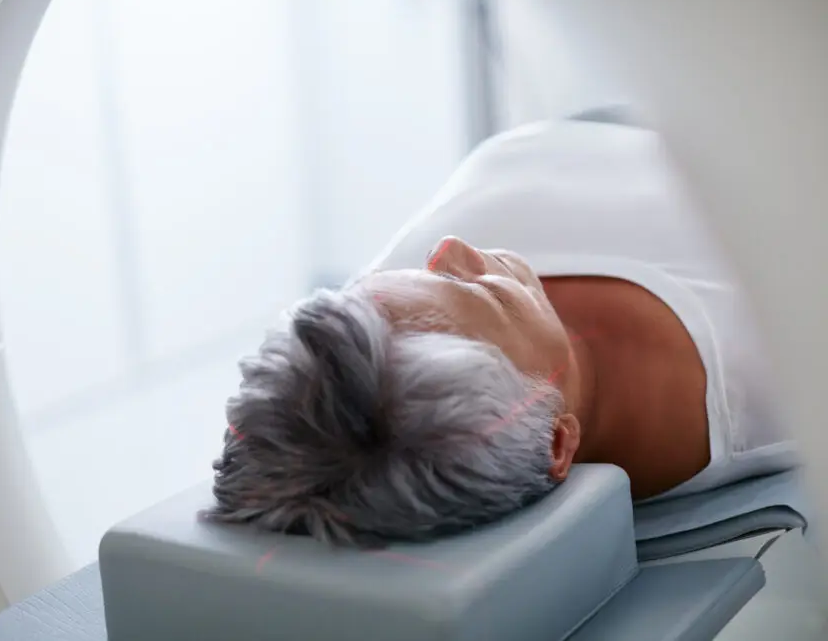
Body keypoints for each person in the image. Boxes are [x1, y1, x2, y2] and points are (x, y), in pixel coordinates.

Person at [204, 119, 799, 546]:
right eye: (482, 293)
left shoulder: (389, 350)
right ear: (558, 445)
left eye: (382, 283)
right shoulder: (783, 379)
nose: (453, 249)